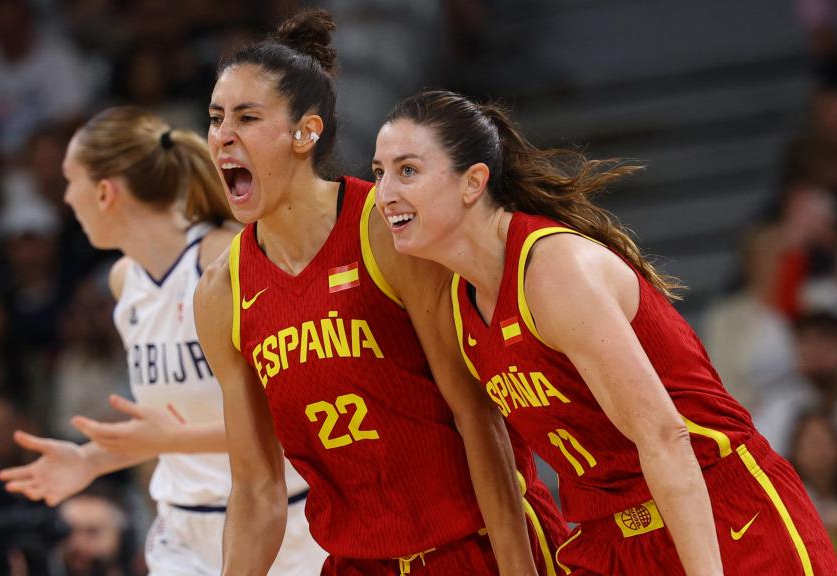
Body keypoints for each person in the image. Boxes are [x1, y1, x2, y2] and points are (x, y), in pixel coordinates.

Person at [371, 90, 837, 576]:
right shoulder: (457, 300)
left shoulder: (555, 271)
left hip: (720, 514)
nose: (384, 193)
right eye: (379, 171)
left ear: (472, 182)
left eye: (407, 170)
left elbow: (665, 437)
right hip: (612, 540)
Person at [194, 9, 567, 576]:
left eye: (247, 117)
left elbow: (478, 414)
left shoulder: (386, 228)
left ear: (305, 132)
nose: (224, 135)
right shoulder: (221, 291)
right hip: (358, 561)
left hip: (477, 544)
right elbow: (258, 491)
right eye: (217, 118)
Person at [0, 106, 325, 575]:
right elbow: (170, 428)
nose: (67, 199)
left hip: (285, 524)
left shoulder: (228, 258)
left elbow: (295, 421)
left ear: (105, 192)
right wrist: (89, 461)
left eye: (71, 183)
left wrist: (170, 439)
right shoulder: (122, 282)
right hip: (182, 528)